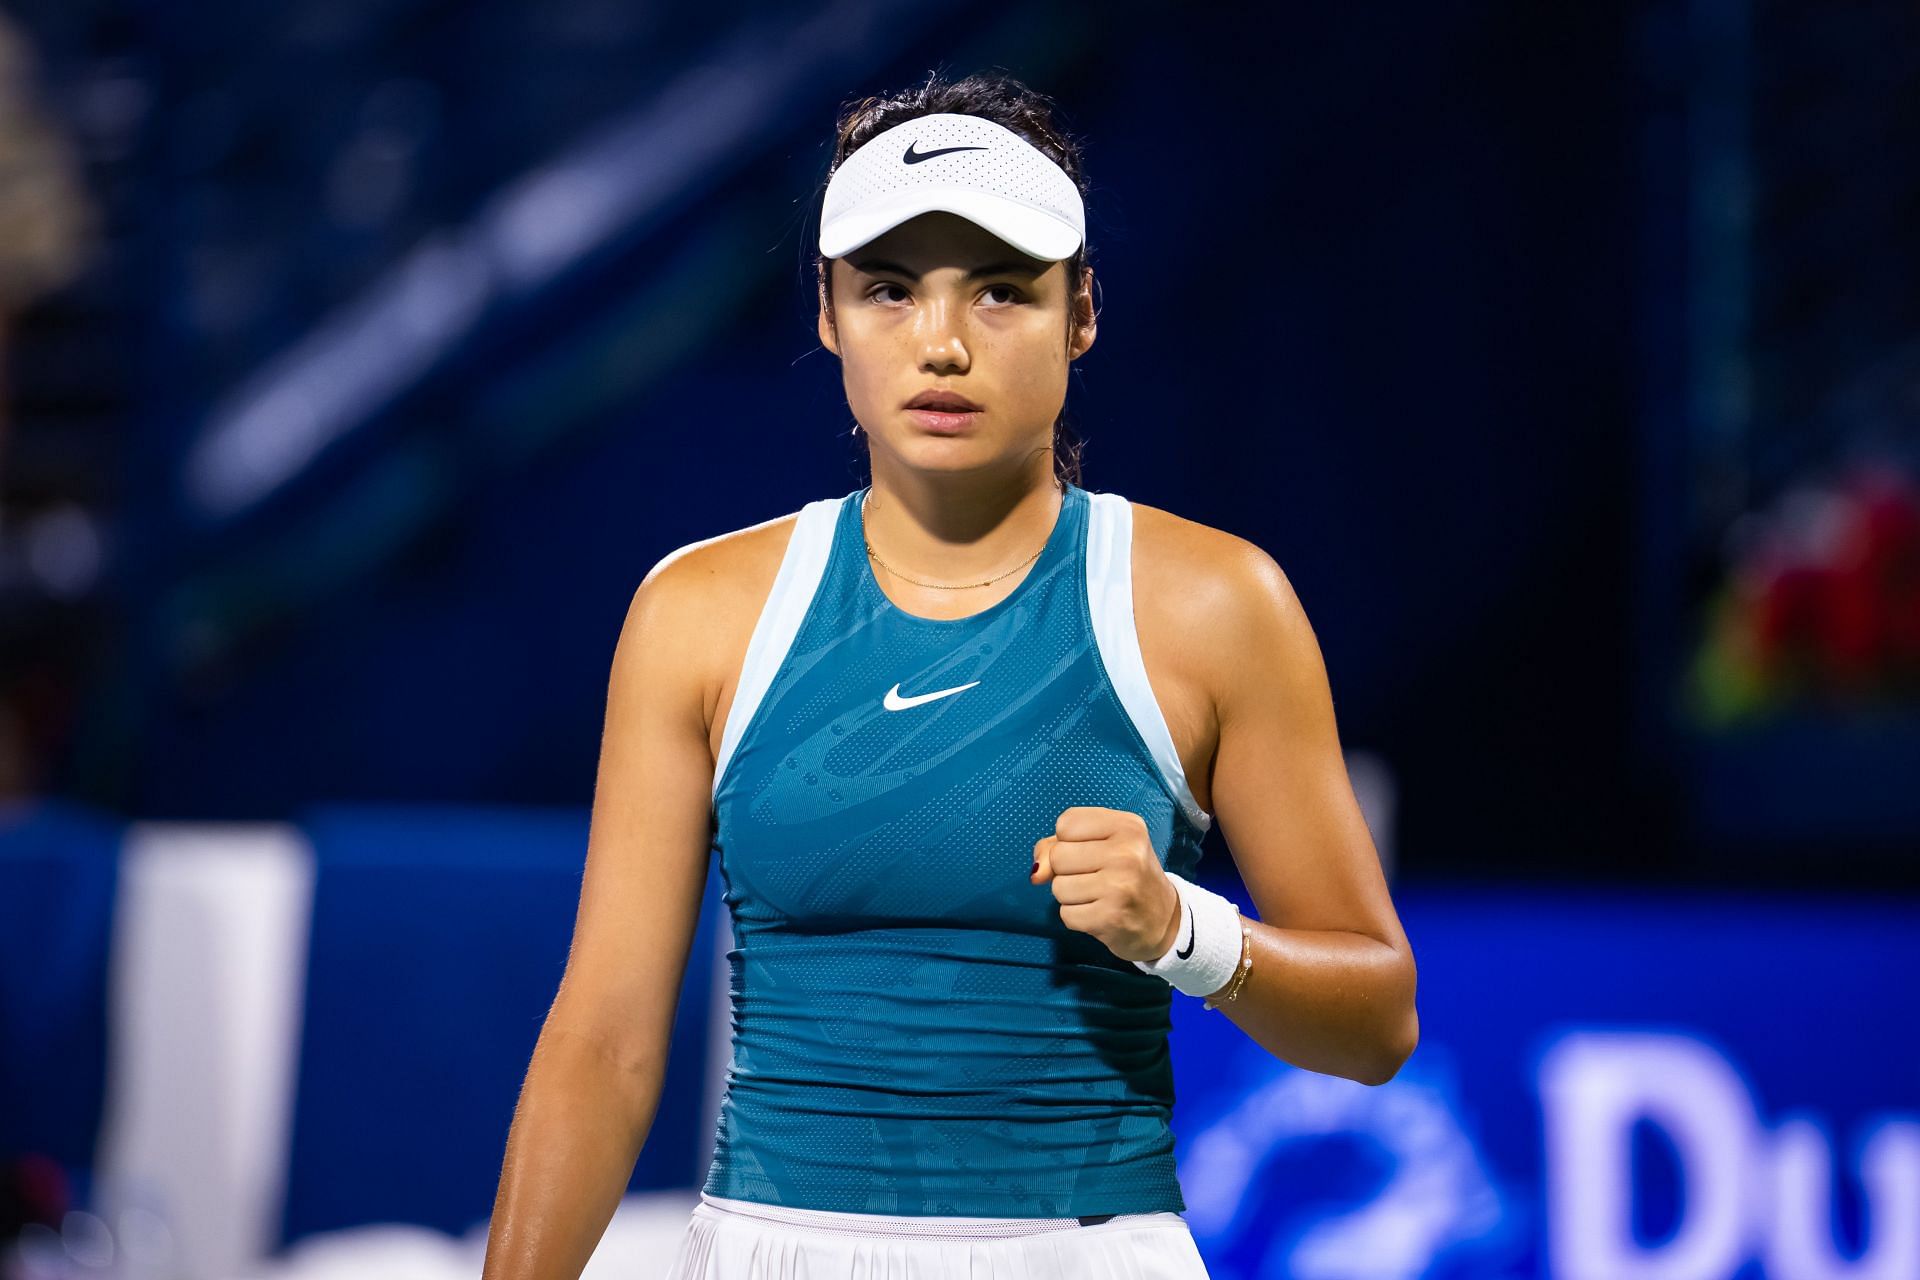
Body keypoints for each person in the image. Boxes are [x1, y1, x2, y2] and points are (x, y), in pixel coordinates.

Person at [481, 69, 1418, 1280]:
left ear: (1083, 312)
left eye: (1001, 291)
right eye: (888, 288)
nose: (942, 341)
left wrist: (1185, 928)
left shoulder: (1215, 605)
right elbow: (602, 1043)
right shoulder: (695, 614)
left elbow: (1380, 1018)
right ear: (825, 314)